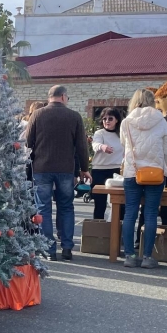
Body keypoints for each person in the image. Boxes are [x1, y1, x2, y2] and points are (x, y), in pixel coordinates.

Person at [26, 85, 90, 261]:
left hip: (41, 168)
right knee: (66, 207)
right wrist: (84, 168)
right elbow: (81, 147)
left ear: (50, 97)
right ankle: (67, 247)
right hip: (65, 169)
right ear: (63, 97)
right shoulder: (74, 116)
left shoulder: (37, 115)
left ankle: (49, 249)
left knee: (43, 208)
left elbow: (27, 143)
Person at [119, 88, 167, 268]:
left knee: (130, 213)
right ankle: (148, 257)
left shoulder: (127, 122)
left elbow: (123, 144)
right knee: (150, 214)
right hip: (155, 172)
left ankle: (129, 255)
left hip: (132, 172)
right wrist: (162, 164)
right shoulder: (161, 121)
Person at [89, 108, 123, 220]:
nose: (107, 121)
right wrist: (102, 147)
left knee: (119, 204)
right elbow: (95, 145)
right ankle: (98, 232)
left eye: (110, 119)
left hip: (116, 171)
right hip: (99, 170)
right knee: (100, 204)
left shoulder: (122, 134)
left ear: (116, 120)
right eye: (104, 119)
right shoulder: (99, 133)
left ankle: (116, 230)